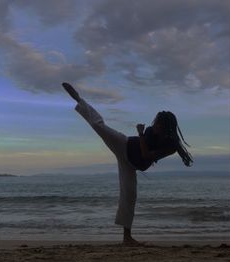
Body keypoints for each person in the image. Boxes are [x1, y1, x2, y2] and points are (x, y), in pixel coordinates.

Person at [62, 82, 193, 245]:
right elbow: (143, 147)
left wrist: (140, 133)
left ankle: (127, 237)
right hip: (123, 144)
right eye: (156, 122)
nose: (155, 125)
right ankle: (79, 99)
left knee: (129, 196)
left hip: (130, 165)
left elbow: (146, 155)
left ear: (167, 127)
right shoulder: (151, 131)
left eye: (159, 123)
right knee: (99, 126)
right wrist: (142, 135)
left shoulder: (170, 146)